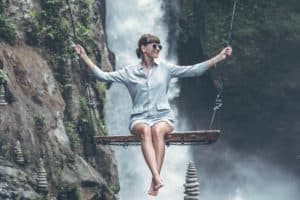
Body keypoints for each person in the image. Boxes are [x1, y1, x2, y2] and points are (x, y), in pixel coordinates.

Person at [75, 33, 232, 196]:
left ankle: (154, 179)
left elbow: (194, 70)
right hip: (139, 118)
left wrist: (219, 57)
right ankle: (157, 177)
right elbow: (103, 76)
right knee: (145, 130)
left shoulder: (166, 69)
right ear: (143, 48)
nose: (158, 49)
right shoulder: (129, 72)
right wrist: (84, 56)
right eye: (154, 45)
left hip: (163, 117)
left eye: (160, 46)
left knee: (157, 130)